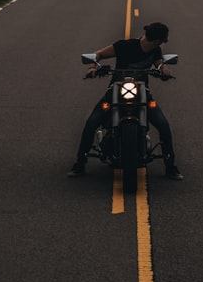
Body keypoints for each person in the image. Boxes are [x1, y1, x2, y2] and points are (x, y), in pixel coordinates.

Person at [68, 22, 183, 180]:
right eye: (162, 41)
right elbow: (98, 55)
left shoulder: (155, 51)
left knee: (163, 125)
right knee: (92, 123)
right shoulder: (124, 46)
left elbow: (159, 65)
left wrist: (164, 70)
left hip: (143, 93)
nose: (161, 44)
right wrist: (92, 68)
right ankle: (79, 163)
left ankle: (171, 167)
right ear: (158, 40)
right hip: (115, 90)